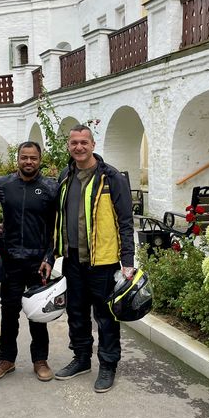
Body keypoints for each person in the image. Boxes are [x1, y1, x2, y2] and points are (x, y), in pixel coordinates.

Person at [53, 124, 134, 393]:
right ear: (69, 146)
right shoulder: (66, 175)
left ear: (93, 145)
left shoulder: (111, 177)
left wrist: (128, 261)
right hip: (73, 259)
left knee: (105, 316)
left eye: (83, 142)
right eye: (74, 142)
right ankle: (82, 359)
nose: (79, 147)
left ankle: (108, 365)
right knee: (76, 312)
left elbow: (125, 221)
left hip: (104, 261)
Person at [0, 141, 58, 382]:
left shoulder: (50, 187)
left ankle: (40, 360)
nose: (29, 162)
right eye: (24, 157)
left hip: (39, 262)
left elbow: (57, 228)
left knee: (38, 313)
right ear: (18, 159)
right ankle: (6, 360)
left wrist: (50, 256)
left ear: (40, 160)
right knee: (9, 312)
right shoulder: (2, 185)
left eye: (33, 158)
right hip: (11, 260)